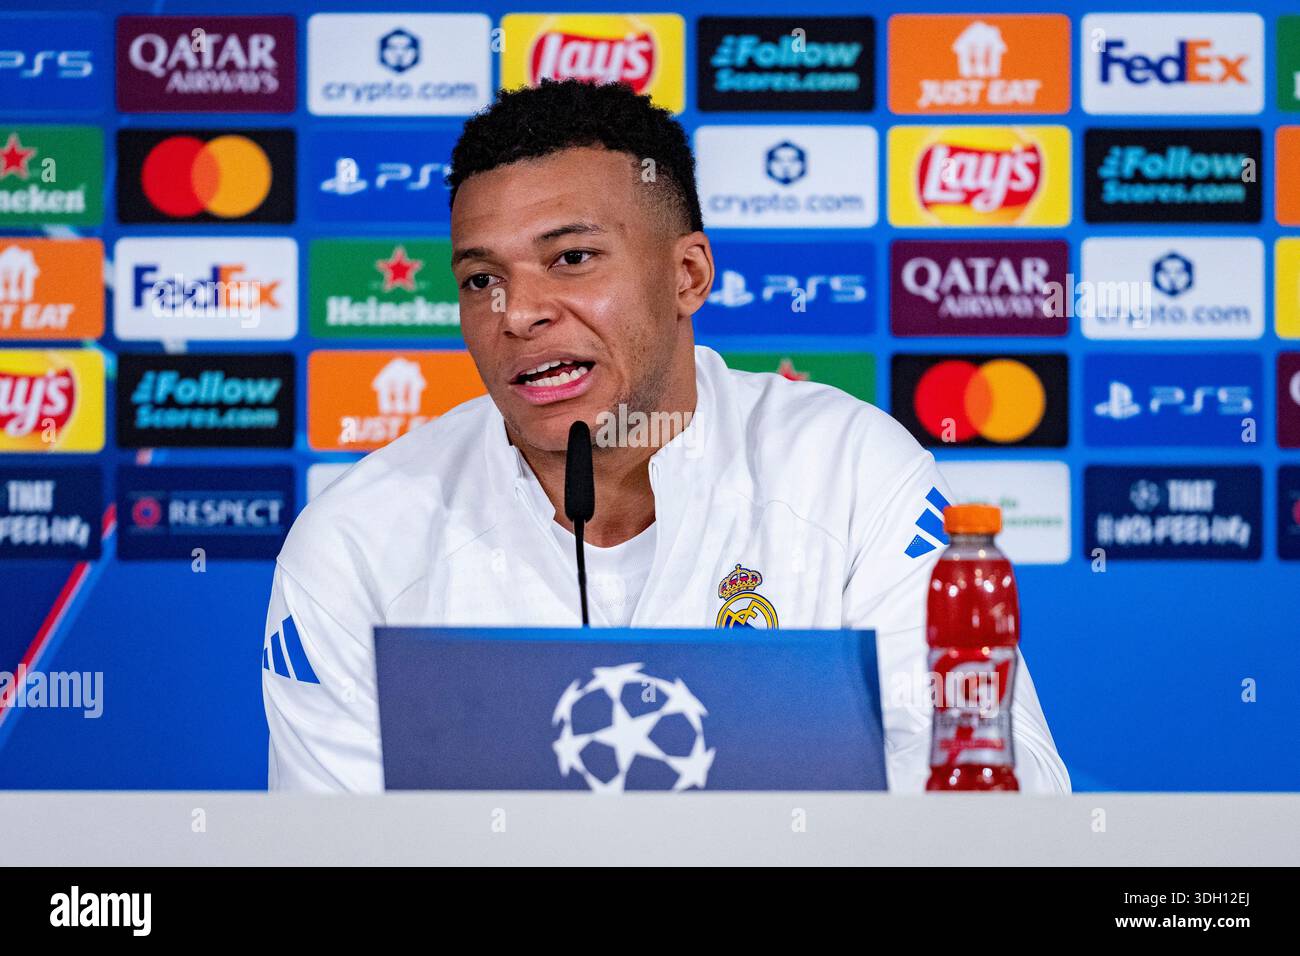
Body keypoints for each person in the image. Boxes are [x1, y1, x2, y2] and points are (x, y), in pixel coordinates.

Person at [263, 79, 1070, 794]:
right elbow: (330, 859)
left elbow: (999, 808)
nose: (518, 313)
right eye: (483, 280)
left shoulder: (852, 475)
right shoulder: (358, 542)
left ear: (687, 275)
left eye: (572, 257)